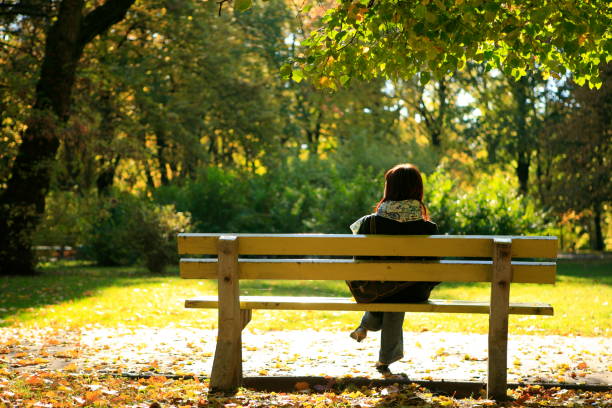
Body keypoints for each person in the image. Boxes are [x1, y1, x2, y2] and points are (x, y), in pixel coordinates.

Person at [346, 163, 439, 378]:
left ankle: (366, 324)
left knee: (387, 290)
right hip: (414, 292)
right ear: (418, 190)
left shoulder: (368, 223)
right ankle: (384, 360)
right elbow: (434, 269)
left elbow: (357, 262)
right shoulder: (428, 228)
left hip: (374, 288)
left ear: (389, 189)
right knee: (399, 293)